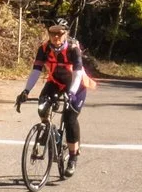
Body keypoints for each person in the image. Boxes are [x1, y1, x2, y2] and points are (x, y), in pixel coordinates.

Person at [15, 15, 95, 176]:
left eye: (60, 33)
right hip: (55, 82)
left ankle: (73, 157)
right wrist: (26, 91)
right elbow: (36, 70)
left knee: (69, 118)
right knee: (42, 109)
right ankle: (49, 129)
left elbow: (78, 73)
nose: (56, 36)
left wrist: (71, 93)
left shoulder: (73, 49)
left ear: (66, 34)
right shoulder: (44, 49)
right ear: (49, 33)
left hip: (76, 86)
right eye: (53, 33)